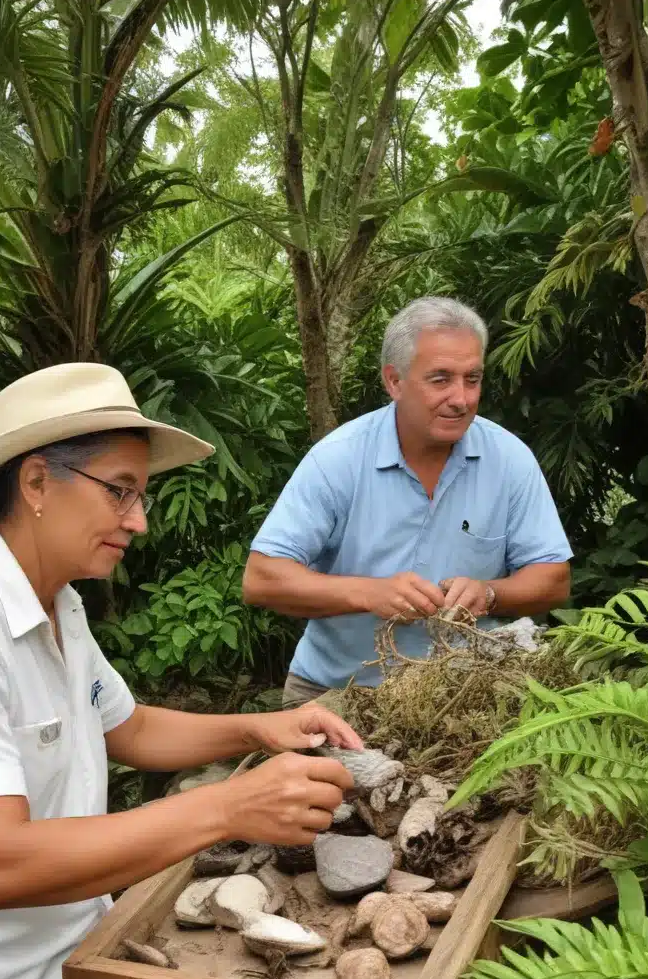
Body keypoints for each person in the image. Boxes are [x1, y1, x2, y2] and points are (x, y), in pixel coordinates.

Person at [0, 362, 361, 979]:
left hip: (68, 960)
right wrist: (227, 807)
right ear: (36, 482)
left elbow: (126, 728)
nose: (137, 520)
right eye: (119, 491)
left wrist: (256, 729)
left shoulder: (60, 602)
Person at [242, 296, 573, 708]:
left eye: (472, 378)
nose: (462, 398)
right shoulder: (339, 458)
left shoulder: (509, 459)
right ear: (394, 382)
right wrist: (368, 593)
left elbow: (553, 578)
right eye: (440, 379)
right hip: (334, 693)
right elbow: (262, 578)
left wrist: (489, 594)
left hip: (465, 696)